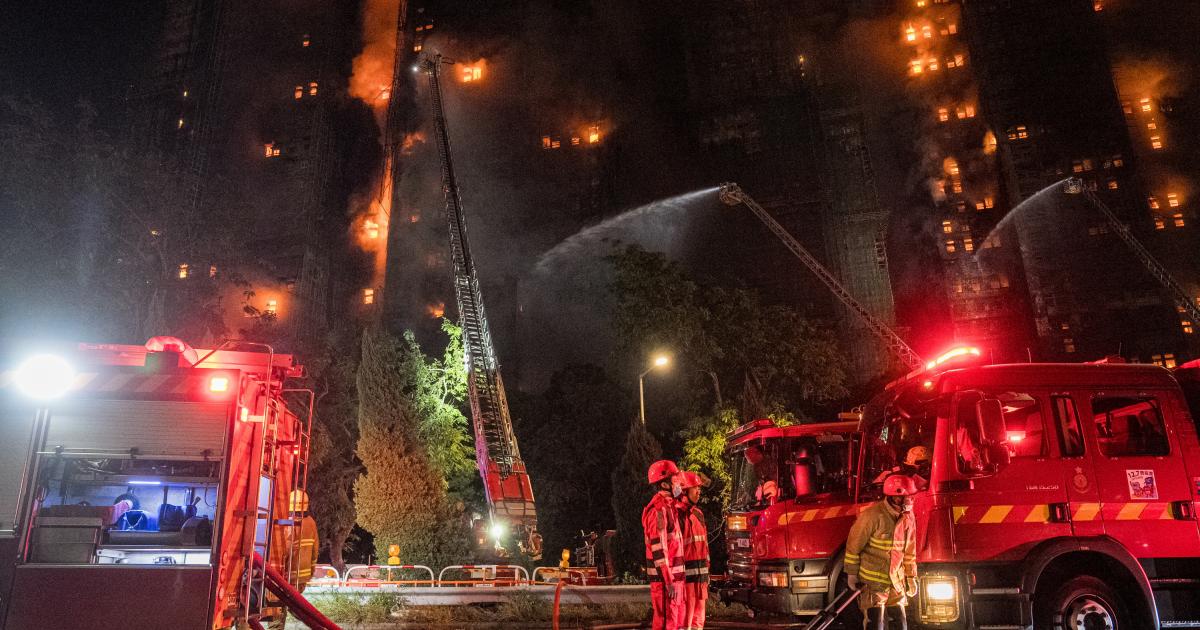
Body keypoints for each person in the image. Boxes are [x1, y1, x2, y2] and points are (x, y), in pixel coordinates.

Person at [844, 475, 919, 630]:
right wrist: (852, 574)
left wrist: (911, 577)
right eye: (907, 497)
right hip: (873, 584)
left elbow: (909, 551)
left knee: (901, 624)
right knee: (876, 624)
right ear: (895, 498)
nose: (911, 500)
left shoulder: (908, 517)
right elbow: (853, 546)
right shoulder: (872, 516)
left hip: (895, 583)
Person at [642, 460, 686, 630]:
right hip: (666, 582)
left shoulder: (670, 507)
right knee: (666, 623)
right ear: (665, 483)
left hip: (674, 581)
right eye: (675, 479)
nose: (679, 483)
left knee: (674, 622)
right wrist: (668, 581)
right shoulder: (659, 510)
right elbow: (659, 549)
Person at [268, 489, 320, 630]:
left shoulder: (287, 524)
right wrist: (310, 573)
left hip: (283, 578)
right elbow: (315, 551)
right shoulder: (311, 523)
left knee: (278, 609)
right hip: (301, 579)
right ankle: (318, 623)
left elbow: (283, 552)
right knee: (293, 607)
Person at [674, 471, 710, 630]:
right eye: (695, 488)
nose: (699, 492)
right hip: (686, 576)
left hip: (701, 575)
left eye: (699, 488)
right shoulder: (677, 514)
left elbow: (705, 545)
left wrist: (707, 570)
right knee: (686, 619)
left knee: (699, 618)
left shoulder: (698, 513)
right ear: (684, 491)